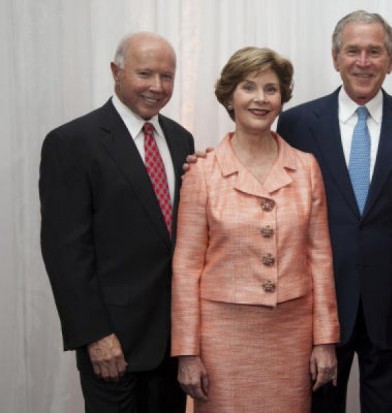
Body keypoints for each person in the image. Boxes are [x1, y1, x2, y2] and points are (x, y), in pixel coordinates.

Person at [170, 46, 340, 413]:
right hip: (223, 339)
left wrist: (325, 341)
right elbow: (185, 268)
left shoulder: (307, 168)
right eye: (249, 87)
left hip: (290, 336)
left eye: (271, 89)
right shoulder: (202, 171)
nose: (260, 99)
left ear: (282, 99)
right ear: (229, 96)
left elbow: (320, 259)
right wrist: (187, 352)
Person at [276, 10, 392, 413]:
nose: (363, 61)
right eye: (353, 50)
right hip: (319, 307)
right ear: (335, 57)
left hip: (391, 305)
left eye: (374, 51)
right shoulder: (295, 124)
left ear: (390, 61)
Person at [39, 32, 194, 412]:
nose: (157, 87)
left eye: (167, 76)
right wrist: (94, 335)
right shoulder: (72, 142)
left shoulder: (181, 140)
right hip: (114, 344)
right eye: (145, 74)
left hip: (172, 343)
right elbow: (65, 252)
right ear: (116, 72)